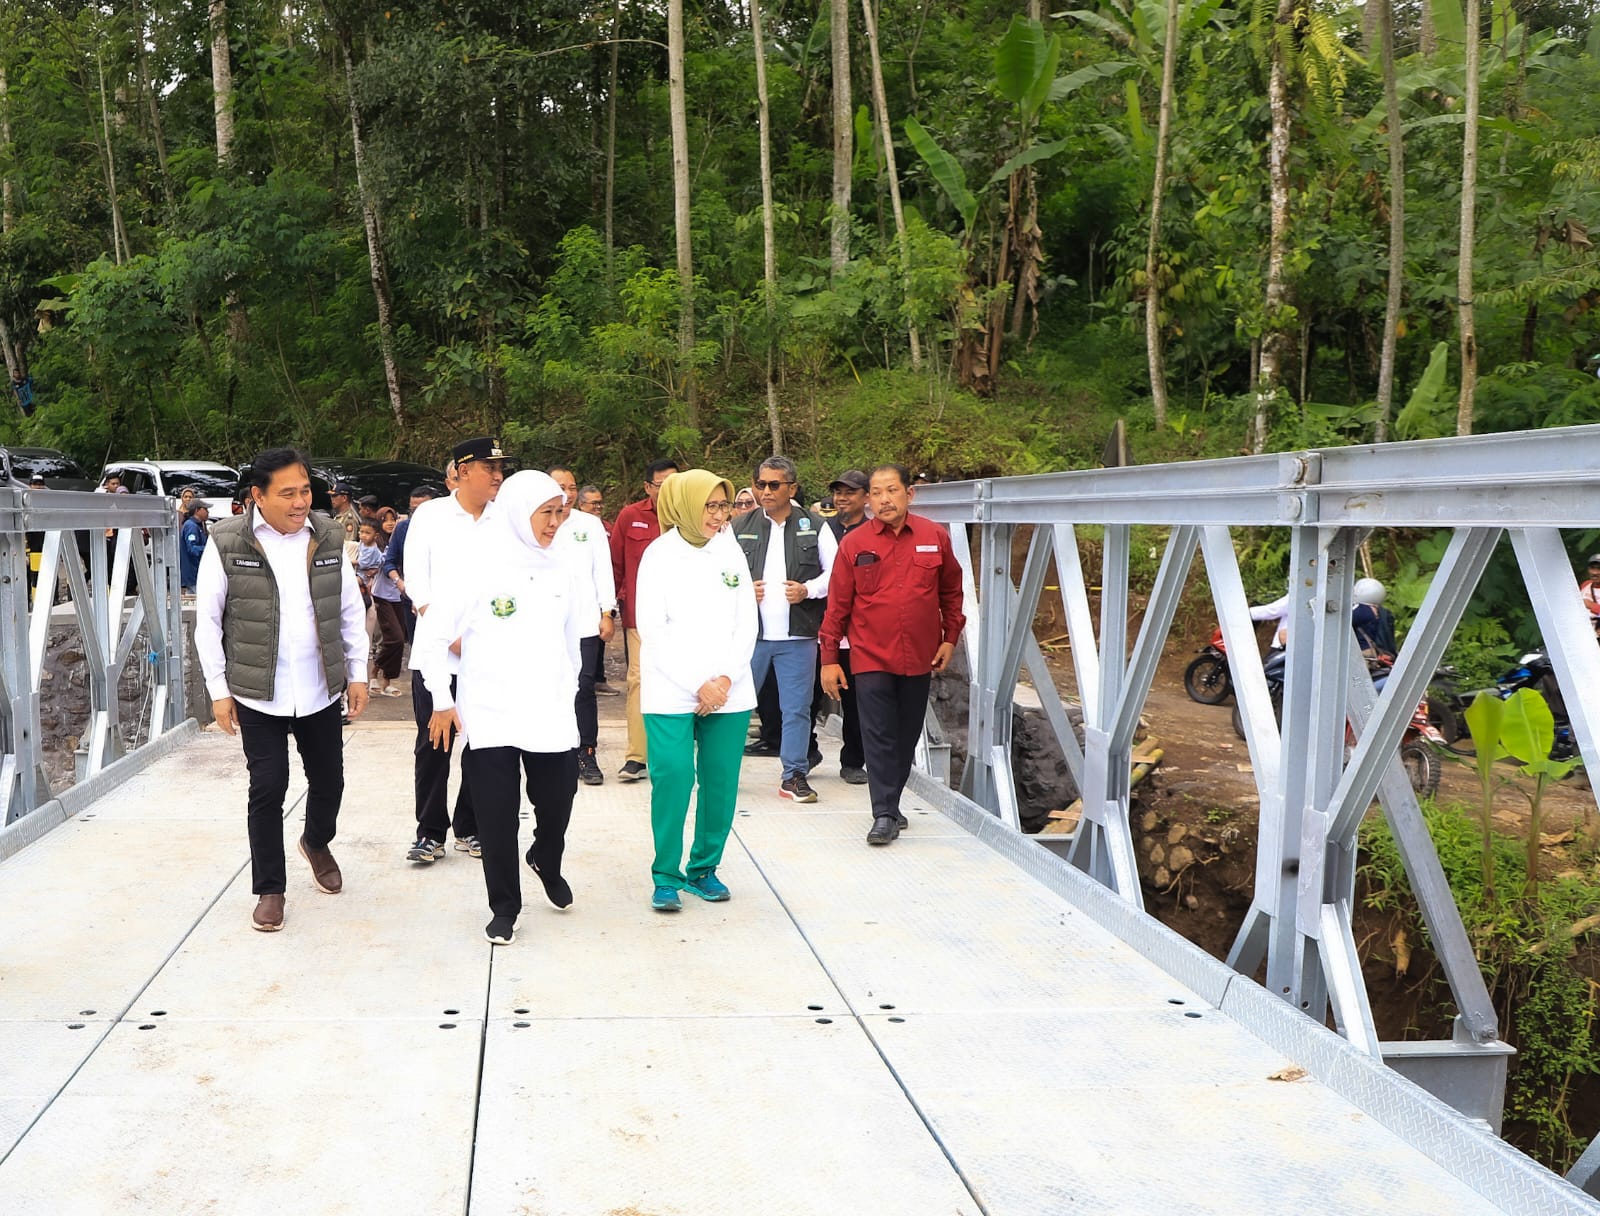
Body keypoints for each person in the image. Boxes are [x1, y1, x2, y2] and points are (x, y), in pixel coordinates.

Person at [193, 447, 369, 931]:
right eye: (287, 493)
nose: (300, 502)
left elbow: (349, 609)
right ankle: (270, 888)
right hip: (257, 691)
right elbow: (208, 621)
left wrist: (357, 673)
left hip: (319, 686)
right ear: (258, 495)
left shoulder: (328, 534)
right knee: (268, 787)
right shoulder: (227, 540)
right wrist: (218, 691)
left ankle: (316, 841)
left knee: (329, 781)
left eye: (305, 491)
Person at [418, 471, 583, 945]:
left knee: (557, 802)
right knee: (496, 816)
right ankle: (504, 906)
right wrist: (442, 700)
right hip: (490, 711)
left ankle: (545, 857)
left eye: (560, 512)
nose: (555, 523)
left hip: (549, 710)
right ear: (516, 512)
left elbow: (573, 640)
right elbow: (431, 640)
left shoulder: (563, 564)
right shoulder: (477, 564)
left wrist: (569, 691)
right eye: (546, 513)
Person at [820, 464, 965, 846]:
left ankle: (892, 803)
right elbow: (837, 605)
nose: (884, 499)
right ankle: (883, 814)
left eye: (892, 490)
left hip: (919, 656)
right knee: (878, 734)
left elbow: (951, 591)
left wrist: (950, 637)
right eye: (877, 492)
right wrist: (829, 658)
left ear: (909, 494)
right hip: (870, 656)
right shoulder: (854, 544)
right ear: (868, 499)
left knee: (905, 734)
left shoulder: (934, 536)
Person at [634, 470, 756, 912]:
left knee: (720, 781)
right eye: (710, 506)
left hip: (729, 688)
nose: (720, 516)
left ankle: (704, 868)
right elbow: (652, 628)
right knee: (673, 777)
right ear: (685, 505)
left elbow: (747, 621)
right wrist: (697, 684)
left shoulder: (730, 550)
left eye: (724, 506)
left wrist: (724, 679)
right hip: (672, 688)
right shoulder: (658, 555)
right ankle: (666, 875)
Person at [401, 437, 505, 864]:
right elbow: (417, 584)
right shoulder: (431, 516)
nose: (498, 475)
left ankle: (470, 827)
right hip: (437, 653)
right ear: (462, 472)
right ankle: (430, 832)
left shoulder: (505, 518)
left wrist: (483, 639)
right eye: (489, 468)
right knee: (434, 744)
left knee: (483, 746)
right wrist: (450, 637)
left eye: (500, 468)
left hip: (490, 655)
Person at [731, 455, 837, 803]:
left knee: (797, 709)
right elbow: (720, 575)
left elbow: (836, 574)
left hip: (798, 635)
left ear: (791, 488)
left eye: (773, 485)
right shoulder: (739, 526)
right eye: (760, 484)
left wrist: (809, 590)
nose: (765, 491)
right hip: (750, 635)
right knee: (734, 707)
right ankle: (723, 773)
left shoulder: (815, 526)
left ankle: (793, 775)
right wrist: (743, 589)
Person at [609, 458, 680, 782]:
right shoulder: (630, 516)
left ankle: (676, 754)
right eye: (663, 485)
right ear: (648, 487)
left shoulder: (690, 516)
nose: (670, 491)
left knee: (681, 681)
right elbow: (615, 565)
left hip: (683, 619)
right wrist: (610, 608)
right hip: (640, 617)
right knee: (639, 681)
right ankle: (637, 756)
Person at [554, 480, 617, 784]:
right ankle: (553, 750)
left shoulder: (590, 525)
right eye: (560, 486)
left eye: (571, 487)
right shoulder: (534, 521)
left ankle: (586, 751)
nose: (567, 493)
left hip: (585, 622)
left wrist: (607, 612)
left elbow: (603, 570)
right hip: (547, 624)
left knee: (583, 687)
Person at [821, 469, 871, 784]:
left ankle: (853, 761)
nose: (842, 498)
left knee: (856, 702)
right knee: (806, 699)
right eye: (838, 492)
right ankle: (804, 756)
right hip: (819, 628)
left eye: (850, 492)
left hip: (857, 633)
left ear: (866, 496)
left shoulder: (873, 533)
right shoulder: (821, 529)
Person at [379, 485, 439, 644]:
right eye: (413, 510)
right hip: (410, 597)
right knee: (416, 645)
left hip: (439, 599)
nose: (416, 514)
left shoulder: (446, 529)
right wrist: (399, 582)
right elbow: (389, 563)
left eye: (421, 509)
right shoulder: (403, 528)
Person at [576, 484, 615, 692]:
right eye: (594, 503)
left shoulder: (602, 526)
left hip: (597, 600)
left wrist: (608, 608)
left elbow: (606, 566)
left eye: (600, 503)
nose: (598, 507)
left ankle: (598, 678)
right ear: (581, 504)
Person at [1352, 578, 1397, 660]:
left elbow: (1340, 619)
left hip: (1361, 652)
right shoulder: (1381, 611)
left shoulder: (1361, 610)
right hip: (1372, 651)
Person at [180, 501, 210, 594]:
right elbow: (192, 549)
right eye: (205, 509)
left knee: (192, 599)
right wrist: (209, 549)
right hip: (193, 573)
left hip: (194, 573)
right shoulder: (191, 526)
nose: (208, 512)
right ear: (197, 510)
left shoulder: (198, 525)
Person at [1580, 555, 1600, 629]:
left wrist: (1592, 605)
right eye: (1592, 568)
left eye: (1599, 568)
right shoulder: (1585, 584)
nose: (1595, 572)